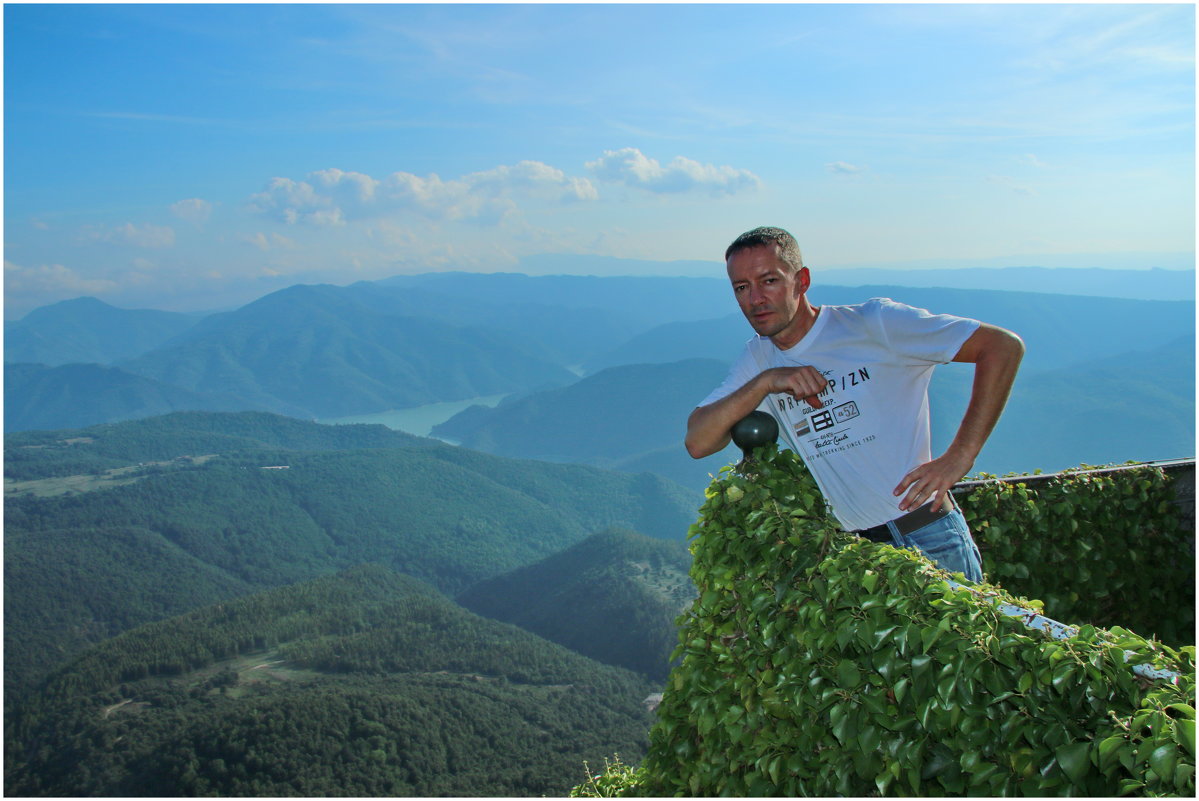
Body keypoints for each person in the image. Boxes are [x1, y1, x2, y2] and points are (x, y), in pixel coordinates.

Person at [685, 226, 1024, 582]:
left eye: (769, 280)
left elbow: (1002, 347)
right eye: (741, 287)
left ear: (801, 281)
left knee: (960, 640)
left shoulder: (873, 323)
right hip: (856, 554)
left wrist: (960, 456)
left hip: (927, 536)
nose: (755, 298)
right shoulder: (758, 358)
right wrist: (767, 381)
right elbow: (698, 441)